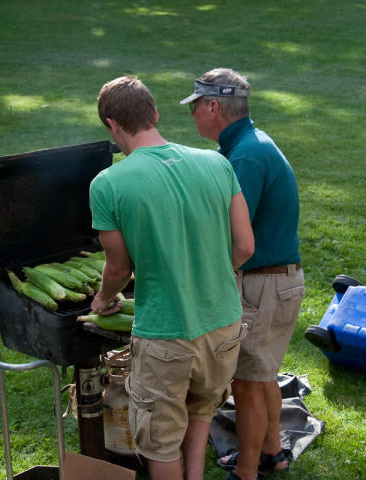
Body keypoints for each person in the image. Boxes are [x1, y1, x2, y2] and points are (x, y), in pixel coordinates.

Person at [89, 75, 255, 480]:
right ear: (155, 114)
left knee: (161, 441)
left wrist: (102, 300)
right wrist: (210, 273)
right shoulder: (217, 163)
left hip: (167, 335)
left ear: (111, 125)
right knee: (200, 414)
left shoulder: (108, 183)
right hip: (224, 327)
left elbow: (118, 268)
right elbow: (245, 246)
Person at [181, 68, 305, 480]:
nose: (193, 114)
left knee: (247, 383)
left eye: (196, 106)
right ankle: (271, 452)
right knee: (262, 374)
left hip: (263, 285)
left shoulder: (247, 156)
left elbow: (232, 232)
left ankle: (247, 473)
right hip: (275, 281)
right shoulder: (245, 145)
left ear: (214, 107)